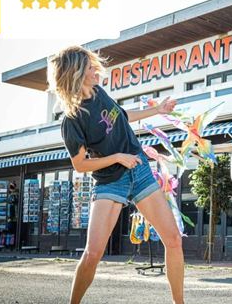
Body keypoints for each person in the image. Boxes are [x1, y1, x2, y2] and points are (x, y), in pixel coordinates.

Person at [47, 46, 184, 304]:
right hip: (111, 181)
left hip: (139, 170)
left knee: (174, 239)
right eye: (89, 67)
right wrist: (118, 158)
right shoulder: (72, 119)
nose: (95, 69)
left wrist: (158, 110)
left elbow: (122, 117)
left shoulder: (100, 93)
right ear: (76, 73)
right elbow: (80, 165)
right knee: (93, 253)